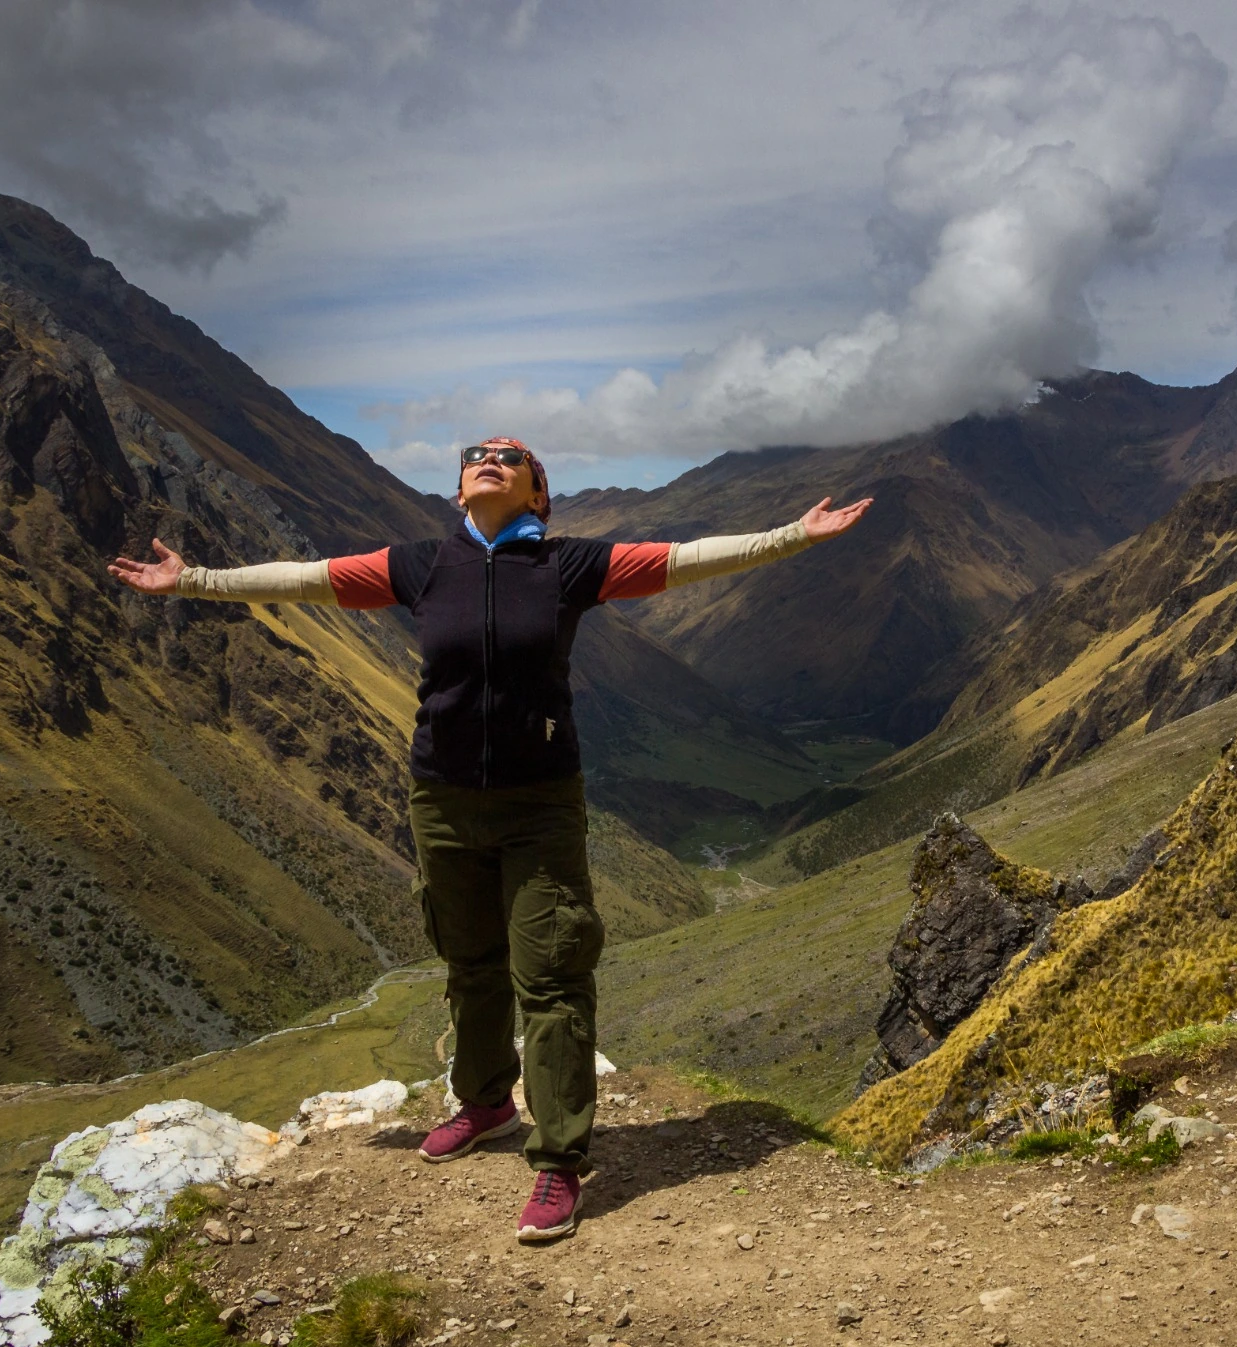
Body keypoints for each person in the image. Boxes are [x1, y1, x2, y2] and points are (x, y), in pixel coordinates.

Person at [108, 435, 870, 1242]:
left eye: (513, 456)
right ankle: (484, 1103)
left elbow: (683, 560)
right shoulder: (422, 565)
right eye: (477, 453)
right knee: (469, 961)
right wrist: (191, 580)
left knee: (549, 971)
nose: (491, 458)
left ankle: (559, 1161)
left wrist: (792, 534)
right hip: (441, 800)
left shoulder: (568, 566)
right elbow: (307, 580)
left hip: (539, 803)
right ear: (458, 488)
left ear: (539, 494)